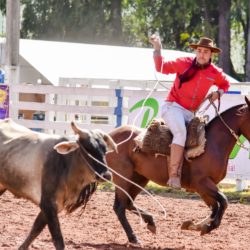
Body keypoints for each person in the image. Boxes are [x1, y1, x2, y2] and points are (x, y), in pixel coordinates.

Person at [149, 35, 230, 189]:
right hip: (172, 107)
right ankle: (173, 176)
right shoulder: (183, 63)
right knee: (180, 133)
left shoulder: (215, 72)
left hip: (190, 113)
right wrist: (157, 48)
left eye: (205, 52)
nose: (201, 54)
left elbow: (225, 84)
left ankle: (192, 175)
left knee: (200, 139)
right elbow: (161, 67)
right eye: (199, 51)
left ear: (210, 54)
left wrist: (219, 92)